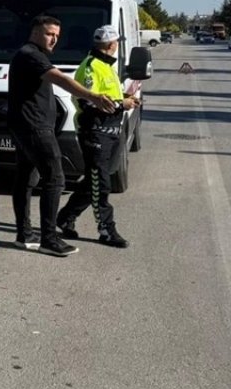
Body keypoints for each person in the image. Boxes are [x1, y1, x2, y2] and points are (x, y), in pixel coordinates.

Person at [8, 15, 117, 257]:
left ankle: (24, 234)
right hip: (34, 127)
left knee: (25, 178)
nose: (54, 39)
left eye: (57, 35)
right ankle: (49, 238)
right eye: (49, 34)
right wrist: (93, 96)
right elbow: (60, 78)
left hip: (27, 126)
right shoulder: (31, 55)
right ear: (35, 31)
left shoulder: (30, 55)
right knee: (55, 178)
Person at [56, 26, 139, 248]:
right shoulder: (91, 66)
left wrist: (125, 97)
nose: (118, 45)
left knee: (95, 181)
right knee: (101, 184)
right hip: (94, 132)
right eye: (117, 42)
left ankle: (65, 217)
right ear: (111, 45)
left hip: (111, 130)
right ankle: (106, 230)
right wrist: (123, 104)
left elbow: (108, 95)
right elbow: (88, 102)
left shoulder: (106, 65)